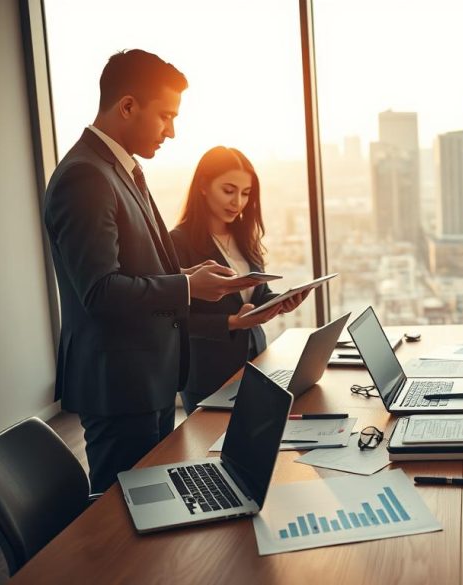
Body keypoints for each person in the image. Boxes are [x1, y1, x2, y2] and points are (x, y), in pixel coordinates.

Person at [42, 50, 256, 493]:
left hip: (147, 376)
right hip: (121, 383)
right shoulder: (86, 177)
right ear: (127, 106)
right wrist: (185, 286)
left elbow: (139, 267)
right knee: (121, 522)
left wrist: (190, 275)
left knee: (154, 508)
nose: (172, 132)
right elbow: (100, 291)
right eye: (165, 116)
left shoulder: (118, 170)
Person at [170, 146, 308, 414]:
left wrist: (280, 301)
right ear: (203, 186)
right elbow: (174, 319)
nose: (238, 202)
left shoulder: (245, 236)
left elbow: (257, 294)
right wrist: (232, 322)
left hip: (255, 361)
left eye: (245, 193)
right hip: (208, 372)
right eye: (229, 190)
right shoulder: (178, 242)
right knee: (211, 448)